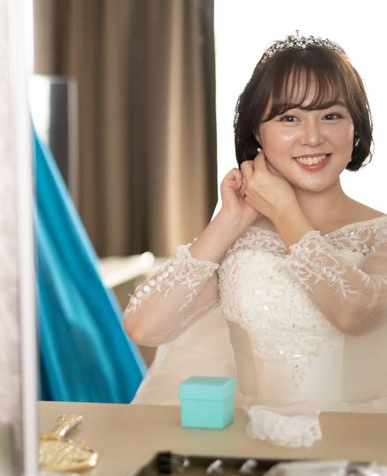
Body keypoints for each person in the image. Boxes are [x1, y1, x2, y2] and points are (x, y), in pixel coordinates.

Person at [124, 34, 387, 411]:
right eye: (289, 118)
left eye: (331, 115)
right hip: (256, 438)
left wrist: (284, 212)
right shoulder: (239, 237)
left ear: (355, 128)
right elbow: (144, 328)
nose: (312, 137)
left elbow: (353, 314)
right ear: (256, 134)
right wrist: (229, 220)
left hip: (359, 439)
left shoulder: (380, 233)